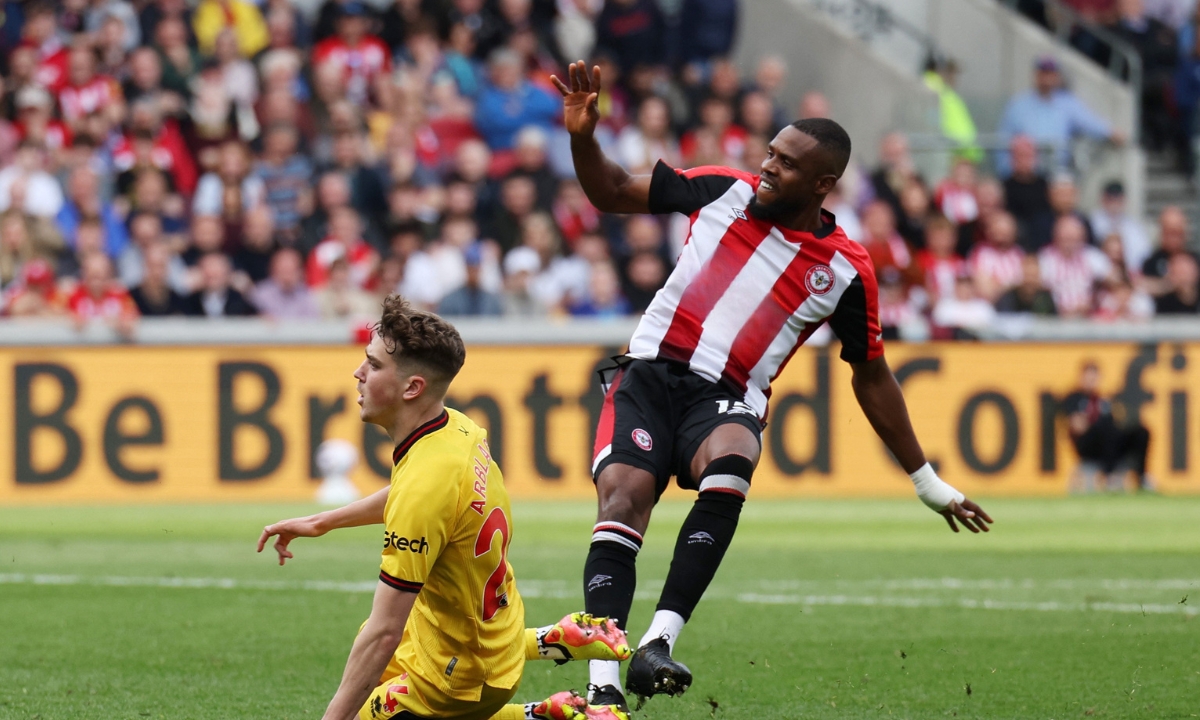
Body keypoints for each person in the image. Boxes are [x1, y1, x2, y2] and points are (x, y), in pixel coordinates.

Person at [551, 60, 993, 712]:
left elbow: (871, 375)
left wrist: (925, 479)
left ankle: (658, 642)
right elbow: (612, 191)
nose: (767, 166)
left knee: (734, 455)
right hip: (648, 374)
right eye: (770, 151)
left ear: (822, 184)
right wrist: (584, 138)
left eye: (784, 163)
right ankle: (603, 689)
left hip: (725, 394)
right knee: (622, 500)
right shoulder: (722, 189)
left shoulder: (845, 270)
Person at [256, 296, 633, 720]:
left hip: (466, 677)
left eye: (374, 365)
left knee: (363, 695)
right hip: (496, 628)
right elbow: (415, 495)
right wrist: (322, 521)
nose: (358, 373)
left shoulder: (425, 483)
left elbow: (385, 634)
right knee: (373, 647)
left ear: (412, 387)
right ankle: (552, 640)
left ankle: (539, 714)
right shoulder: (459, 428)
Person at [1062, 361, 1152, 491]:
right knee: (1104, 425)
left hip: (1109, 444)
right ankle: (1109, 476)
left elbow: (1116, 422)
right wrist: (1095, 421)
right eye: (1089, 377)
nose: (1092, 381)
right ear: (1082, 378)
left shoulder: (1103, 400)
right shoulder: (1073, 398)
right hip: (1088, 445)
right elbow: (1077, 426)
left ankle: (1141, 477)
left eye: (1094, 377)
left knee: (1141, 432)